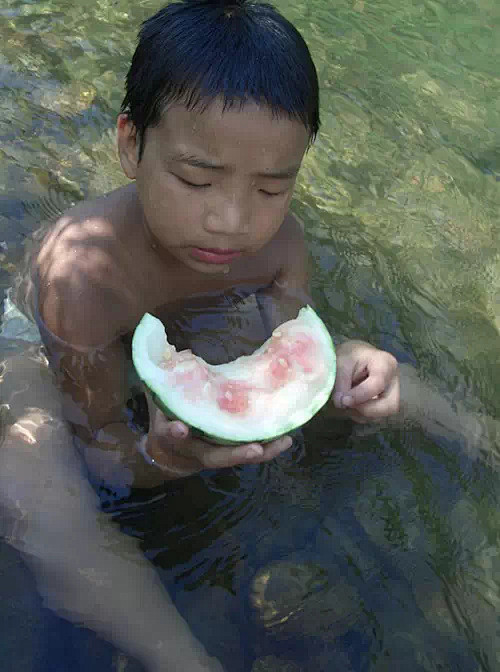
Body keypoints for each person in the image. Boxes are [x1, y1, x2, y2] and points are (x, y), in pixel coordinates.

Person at [2, 0, 403, 669]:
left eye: (273, 188)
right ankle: (185, 660)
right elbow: (100, 445)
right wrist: (159, 460)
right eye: (196, 179)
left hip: (171, 332)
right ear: (130, 144)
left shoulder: (279, 246)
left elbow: (293, 345)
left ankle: (476, 431)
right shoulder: (84, 274)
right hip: (36, 343)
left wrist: (351, 371)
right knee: (37, 494)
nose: (232, 220)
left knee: (372, 375)